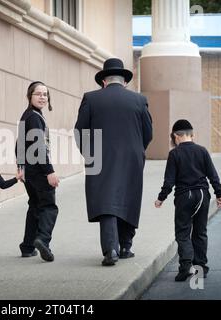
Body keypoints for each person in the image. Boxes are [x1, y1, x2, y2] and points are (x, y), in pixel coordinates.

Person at [75, 58, 153, 266]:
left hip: (100, 157)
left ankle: (111, 248)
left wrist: (89, 154)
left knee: (106, 200)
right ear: (124, 81)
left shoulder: (91, 98)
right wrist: (137, 150)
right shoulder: (139, 100)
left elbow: (80, 131)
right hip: (132, 157)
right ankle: (126, 245)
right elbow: (148, 133)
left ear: (104, 81)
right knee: (129, 196)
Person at [154, 119, 221, 281]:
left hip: (184, 197)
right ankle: (201, 268)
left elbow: (169, 181)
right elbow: (213, 175)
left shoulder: (174, 154)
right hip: (202, 194)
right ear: (192, 135)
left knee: (183, 232)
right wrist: (219, 194)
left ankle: (185, 267)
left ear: (175, 136)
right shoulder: (202, 151)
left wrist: (161, 198)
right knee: (200, 232)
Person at [16, 81, 60, 262]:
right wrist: (49, 172)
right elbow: (39, 147)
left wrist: (20, 167)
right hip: (39, 171)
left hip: (29, 172)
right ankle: (43, 240)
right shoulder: (34, 117)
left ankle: (27, 246)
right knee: (49, 207)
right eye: (38, 94)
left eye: (45, 94)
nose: (42, 97)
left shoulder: (27, 115)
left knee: (35, 206)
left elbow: (19, 143)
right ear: (29, 96)